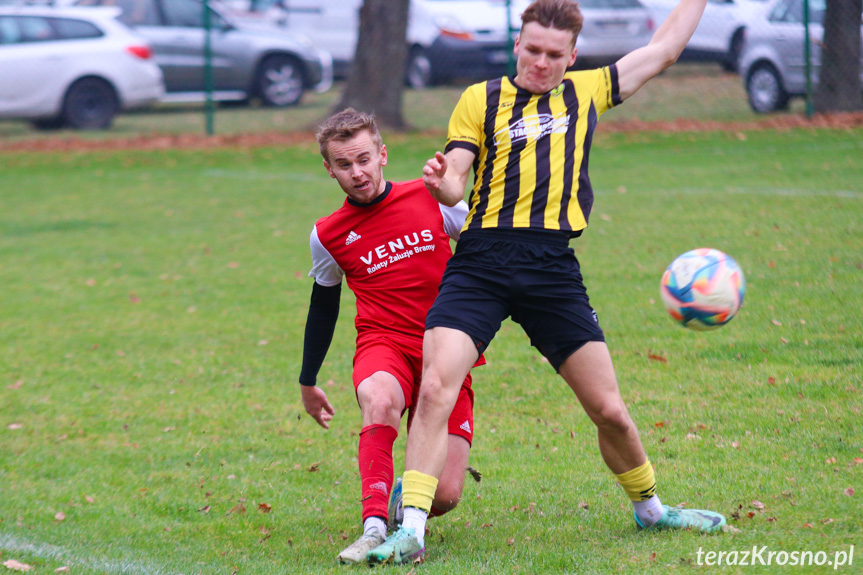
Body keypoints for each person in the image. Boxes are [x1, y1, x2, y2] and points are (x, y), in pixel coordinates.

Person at [368, 0, 726, 565]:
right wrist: (443, 186)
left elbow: (663, 51)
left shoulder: (588, 90)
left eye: (553, 54)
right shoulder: (479, 99)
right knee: (437, 386)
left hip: (552, 268)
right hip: (481, 262)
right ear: (517, 45)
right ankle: (410, 528)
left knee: (608, 409)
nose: (540, 62)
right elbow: (457, 179)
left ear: (572, 56)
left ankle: (651, 509)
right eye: (531, 49)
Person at [298, 108, 479, 564]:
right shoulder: (328, 234)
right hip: (383, 344)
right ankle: (374, 526)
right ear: (329, 169)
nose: (356, 173)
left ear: (382, 154)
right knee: (379, 399)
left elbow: (488, 250)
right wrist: (308, 378)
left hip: (446, 349)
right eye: (344, 165)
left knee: (448, 496)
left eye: (363, 159)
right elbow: (324, 304)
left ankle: (406, 501)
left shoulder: (431, 197)